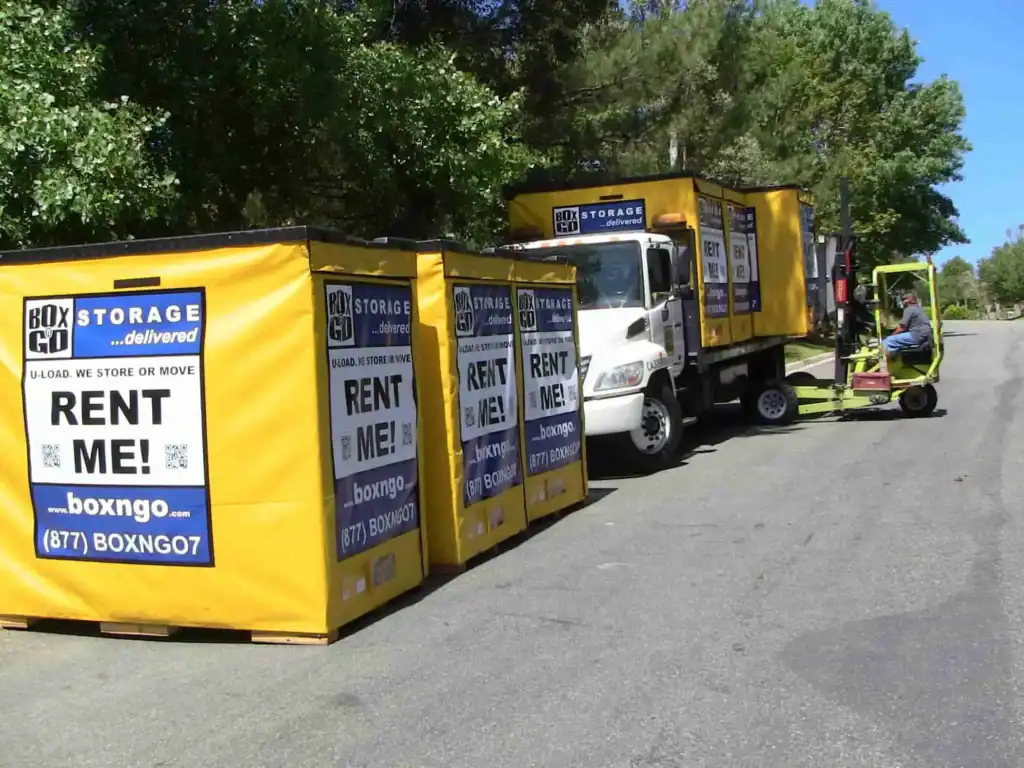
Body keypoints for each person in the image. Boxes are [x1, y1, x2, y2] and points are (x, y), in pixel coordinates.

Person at [882, 291, 932, 359]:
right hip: (925, 335)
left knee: (888, 340)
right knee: (896, 342)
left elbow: (902, 328)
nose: (902, 302)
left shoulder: (909, 309)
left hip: (916, 335)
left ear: (908, 300)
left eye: (903, 299)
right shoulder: (918, 308)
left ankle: (882, 361)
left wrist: (892, 335)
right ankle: (893, 357)